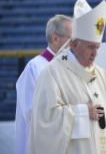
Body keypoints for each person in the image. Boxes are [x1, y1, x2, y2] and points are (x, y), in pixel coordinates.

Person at [28, 0, 106, 154]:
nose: (95, 54)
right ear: (74, 44)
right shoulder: (52, 73)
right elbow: (44, 122)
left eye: (97, 47)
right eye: (90, 47)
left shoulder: (99, 74)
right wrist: (81, 113)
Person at [15, 14, 72, 154]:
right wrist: (75, 111)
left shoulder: (70, 66)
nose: (74, 45)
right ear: (55, 38)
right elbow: (32, 111)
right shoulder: (35, 67)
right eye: (71, 40)